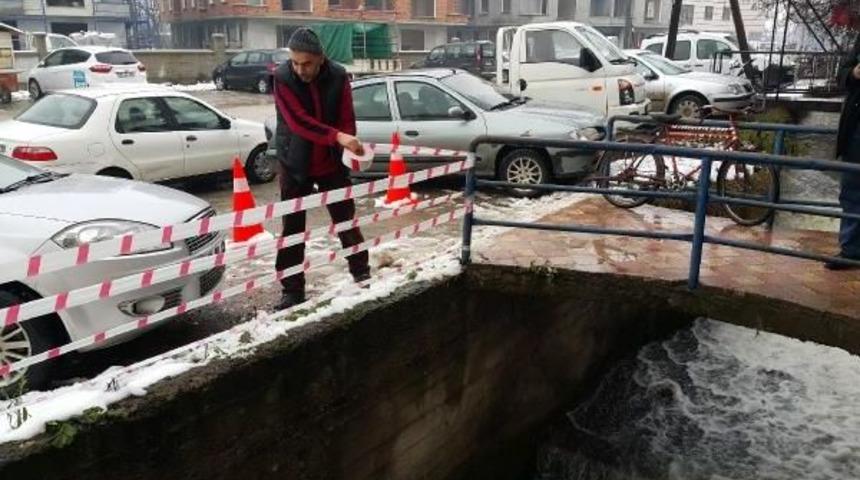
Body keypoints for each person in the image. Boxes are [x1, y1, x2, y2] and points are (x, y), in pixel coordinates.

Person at [271, 28, 371, 308]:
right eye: (295, 62)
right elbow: (298, 122)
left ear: (321, 58)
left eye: (307, 63)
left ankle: (361, 273)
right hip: (295, 161)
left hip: (331, 162)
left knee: (346, 220)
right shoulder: (282, 78)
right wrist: (337, 136)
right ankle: (292, 289)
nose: (300, 69)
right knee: (292, 228)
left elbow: (347, 117)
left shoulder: (338, 75)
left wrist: (347, 145)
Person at [828, 32, 860, 270]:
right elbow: (843, 72)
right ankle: (851, 250)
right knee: (852, 190)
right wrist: (853, 73)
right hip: (856, 127)